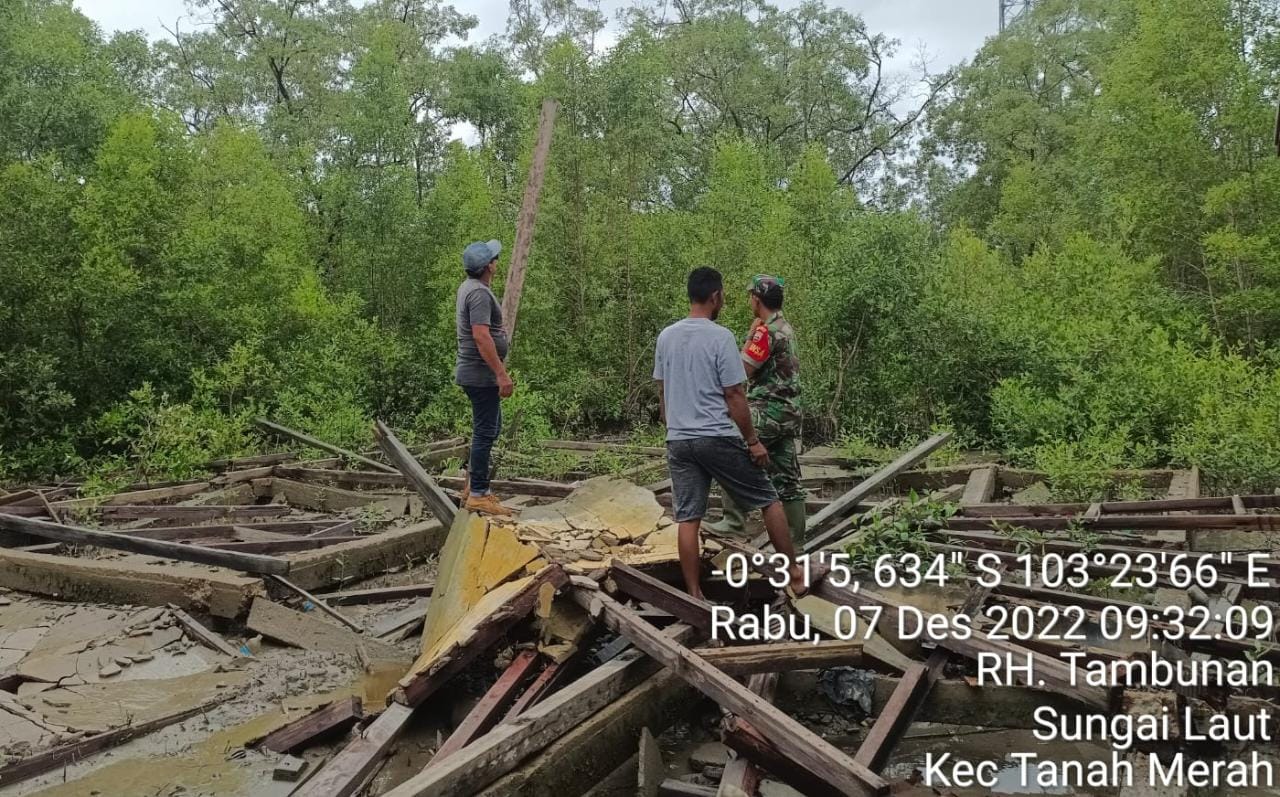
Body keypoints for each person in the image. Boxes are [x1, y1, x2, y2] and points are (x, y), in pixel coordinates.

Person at [653, 266, 806, 600]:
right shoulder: (727, 336)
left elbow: (662, 390)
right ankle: (795, 572)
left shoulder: (666, 336)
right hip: (721, 433)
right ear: (715, 296)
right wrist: (751, 441)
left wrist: (671, 426)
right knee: (769, 498)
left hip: (679, 438)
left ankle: (694, 593)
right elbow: (735, 392)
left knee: (688, 518)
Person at [708, 274, 806, 543]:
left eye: (751, 296)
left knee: (728, 447)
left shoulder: (765, 331)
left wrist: (751, 334)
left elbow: (741, 371)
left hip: (767, 411)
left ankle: (734, 521)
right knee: (788, 480)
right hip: (789, 413)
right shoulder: (785, 327)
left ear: (757, 299)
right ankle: (796, 544)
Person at [455, 239, 515, 517]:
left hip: (476, 373)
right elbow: (481, 336)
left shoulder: (471, 288)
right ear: (489, 266)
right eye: (495, 258)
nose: (497, 262)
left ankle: (473, 486)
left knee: (490, 427)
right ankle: (478, 493)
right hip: (480, 374)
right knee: (485, 430)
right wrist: (501, 374)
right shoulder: (478, 293)